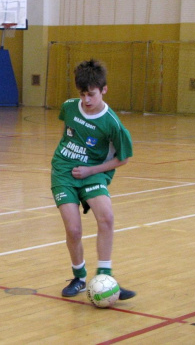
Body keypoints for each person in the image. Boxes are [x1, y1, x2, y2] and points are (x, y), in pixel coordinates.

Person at [50, 59, 136, 301]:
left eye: (91, 94)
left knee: (106, 218)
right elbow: (68, 134)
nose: (86, 100)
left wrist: (91, 170)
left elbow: (123, 159)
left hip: (93, 172)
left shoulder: (113, 124)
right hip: (64, 172)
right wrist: (67, 162)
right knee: (74, 229)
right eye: (82, 94)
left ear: (104, 90)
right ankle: (79, 277)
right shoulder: (68, 107)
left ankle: (106, 278)